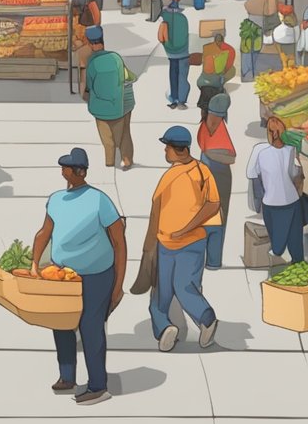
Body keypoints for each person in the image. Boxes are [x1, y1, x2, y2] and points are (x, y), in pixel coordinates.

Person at [31, 148, 126, 405]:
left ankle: (98, 385)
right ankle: (67, 376)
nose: (62, 171)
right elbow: (44, 233)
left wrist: (118, 285)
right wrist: (34, 264)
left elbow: (119, 242)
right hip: (63, 275)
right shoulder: (56, 199)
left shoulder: (99, 200)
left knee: (91, 328)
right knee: (61, 324)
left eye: (66, 167)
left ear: (79, 171)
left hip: (96, 276)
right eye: (62, 167)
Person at [141, 126, 221, 351]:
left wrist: (186, 228)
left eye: (166, 147)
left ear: (178, 150)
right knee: (175, 289)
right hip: (178, 242)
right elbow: (213, 203)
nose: (165, 151)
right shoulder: (201, 171)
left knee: (172, 291)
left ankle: (199, 322)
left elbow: (213, 205)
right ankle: (171, 328)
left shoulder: (187, 174)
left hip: (180, 242)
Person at [248, 117, 307, 262]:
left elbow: (254, 176)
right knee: (283, 247)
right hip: (281, 203)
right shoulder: (266, 152)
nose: (274, 135)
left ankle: (294, 266)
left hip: (284, 203)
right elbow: (297, 176)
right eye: (271, 131)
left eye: (276, 131)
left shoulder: (289, 151)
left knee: (287, 246)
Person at [83, 26, 134, 170]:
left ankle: (110, 162)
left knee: (107, 139)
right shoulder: (116, 57)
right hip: (122, 104)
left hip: (101, 108)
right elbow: (127, 77)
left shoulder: (91, 62)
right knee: (125, 134)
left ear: (89, 43)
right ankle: (127, 159)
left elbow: (89, 85)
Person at [197, 94, 235, 269]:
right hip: (215, 171)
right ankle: (212, 259)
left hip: (211, 169)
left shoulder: (208, 127)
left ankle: (212, 259)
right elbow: (230, 156)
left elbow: (229, 156)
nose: (215, 120)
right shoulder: (214, 129)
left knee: (212, 214)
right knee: (215, 215)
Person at [158, 0, 190, 110]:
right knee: (182, 76)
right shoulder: (183, 18)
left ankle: (174, 99)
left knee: (173, 75)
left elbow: (161, 36)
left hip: (171, 53)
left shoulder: (163, 16)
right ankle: (181, 101)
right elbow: (185, 37)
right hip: (183, 53)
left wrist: (168, 46)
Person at [197, 31, 236, 120]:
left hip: (204, 82)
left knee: (204, 103)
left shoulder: (208, 48)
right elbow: (228, 66)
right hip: (215, 83)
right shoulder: (229, 50)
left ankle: (203, 118)